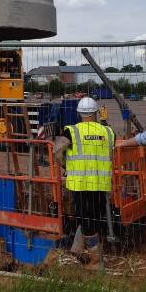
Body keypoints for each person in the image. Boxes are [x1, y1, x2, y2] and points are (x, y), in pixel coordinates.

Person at [54, 96, 114, 269]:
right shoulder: (108, 131)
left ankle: (96, 260)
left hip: (80, 183)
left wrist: (65, 165)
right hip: (100, 183)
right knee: (93, 218)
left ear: (79, 113)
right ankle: (78, 248)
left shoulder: (71, 131)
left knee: (85, 220)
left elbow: (57, 151)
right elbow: (109, 154)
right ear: (95, 113)